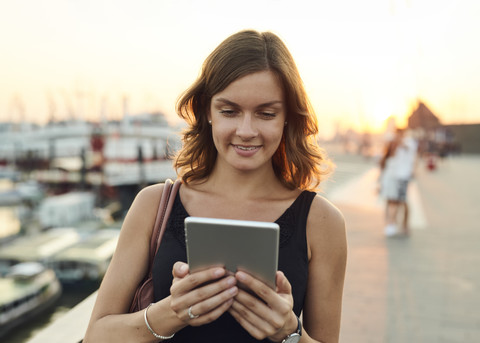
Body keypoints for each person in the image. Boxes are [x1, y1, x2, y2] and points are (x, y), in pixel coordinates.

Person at [84, 30, 347, 343]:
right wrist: (170, 313)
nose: (246, 130)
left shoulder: (323, 222)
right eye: (229, 111)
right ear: (206, 111)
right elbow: (96, 335)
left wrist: (289, 334)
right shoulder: (152, 205)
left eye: (266, 113)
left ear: (288, 117)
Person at [379, 128, 418, 237]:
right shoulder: (393, 145)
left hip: (403, 177)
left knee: (403, 201)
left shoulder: (409, 143)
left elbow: (412, 153)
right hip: (393, 178)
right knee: (391, 201)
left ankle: (405, 226)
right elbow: (385, 161)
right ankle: (391, 224)